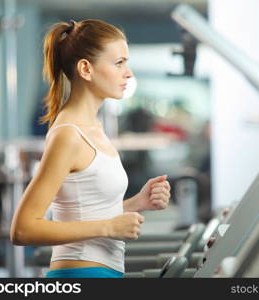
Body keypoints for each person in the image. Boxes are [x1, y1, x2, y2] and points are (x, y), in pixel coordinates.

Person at [10, 19, 171, 278]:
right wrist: (108, 227)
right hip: (81, 275)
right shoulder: (68, 135)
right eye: (119, 63)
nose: (128, 73)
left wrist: (136, 203)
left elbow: (87, 213)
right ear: (86, 68)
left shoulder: (93, 128)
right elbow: (23, 229)